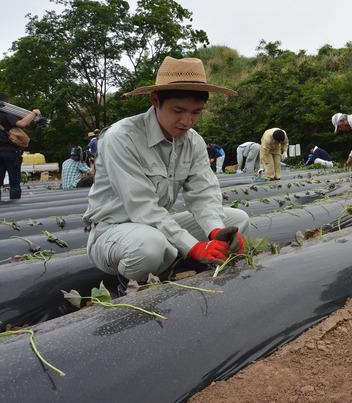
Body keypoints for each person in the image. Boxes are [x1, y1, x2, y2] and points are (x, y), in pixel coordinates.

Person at [83, 56, 249, 291]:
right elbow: (142, 207)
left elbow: (203, 193)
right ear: (155, 101)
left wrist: (215, 231)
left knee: (238, 219)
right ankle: (129, 286)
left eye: (196, 113)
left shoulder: (193, 142)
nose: (187, 121)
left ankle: (186, 270)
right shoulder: (122, 138)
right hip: (113, 230)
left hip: (155, 226)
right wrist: (194, 246)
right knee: (149, 246)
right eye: (178, 110)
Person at [0, 92, 40, 200]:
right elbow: (22, 124)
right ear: (6, 103)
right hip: (10, 152)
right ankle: (15, 205)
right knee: (14, 179)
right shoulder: (7, 114)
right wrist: (34, 113)